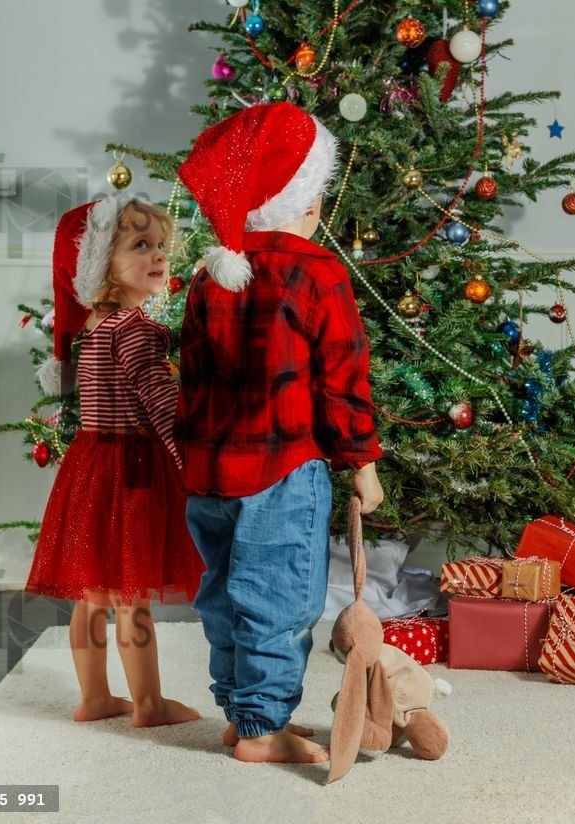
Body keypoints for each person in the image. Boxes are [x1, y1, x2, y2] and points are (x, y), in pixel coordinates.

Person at [176, 102, 385, 765]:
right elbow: (342, 380)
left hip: (209, 471)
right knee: (278, 599)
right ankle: (263, 731)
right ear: (310, 200)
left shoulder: (210, 277)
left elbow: (191, 376)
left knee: (222, 594)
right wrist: (361, 464)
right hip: (281, 470)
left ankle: (241, 714)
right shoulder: (317, 271)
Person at [25, 195, 205, 728]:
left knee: (94, 593)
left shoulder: (96, 327)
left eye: (162, 247)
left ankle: (95, 697)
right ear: (101, 262)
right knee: (131, 597)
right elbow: (160, 404)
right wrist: (190, 464)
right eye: (141, 245)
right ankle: (149, 704)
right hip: (132, 471)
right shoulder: (136, 330)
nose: (159, 257)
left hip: (90, 464)